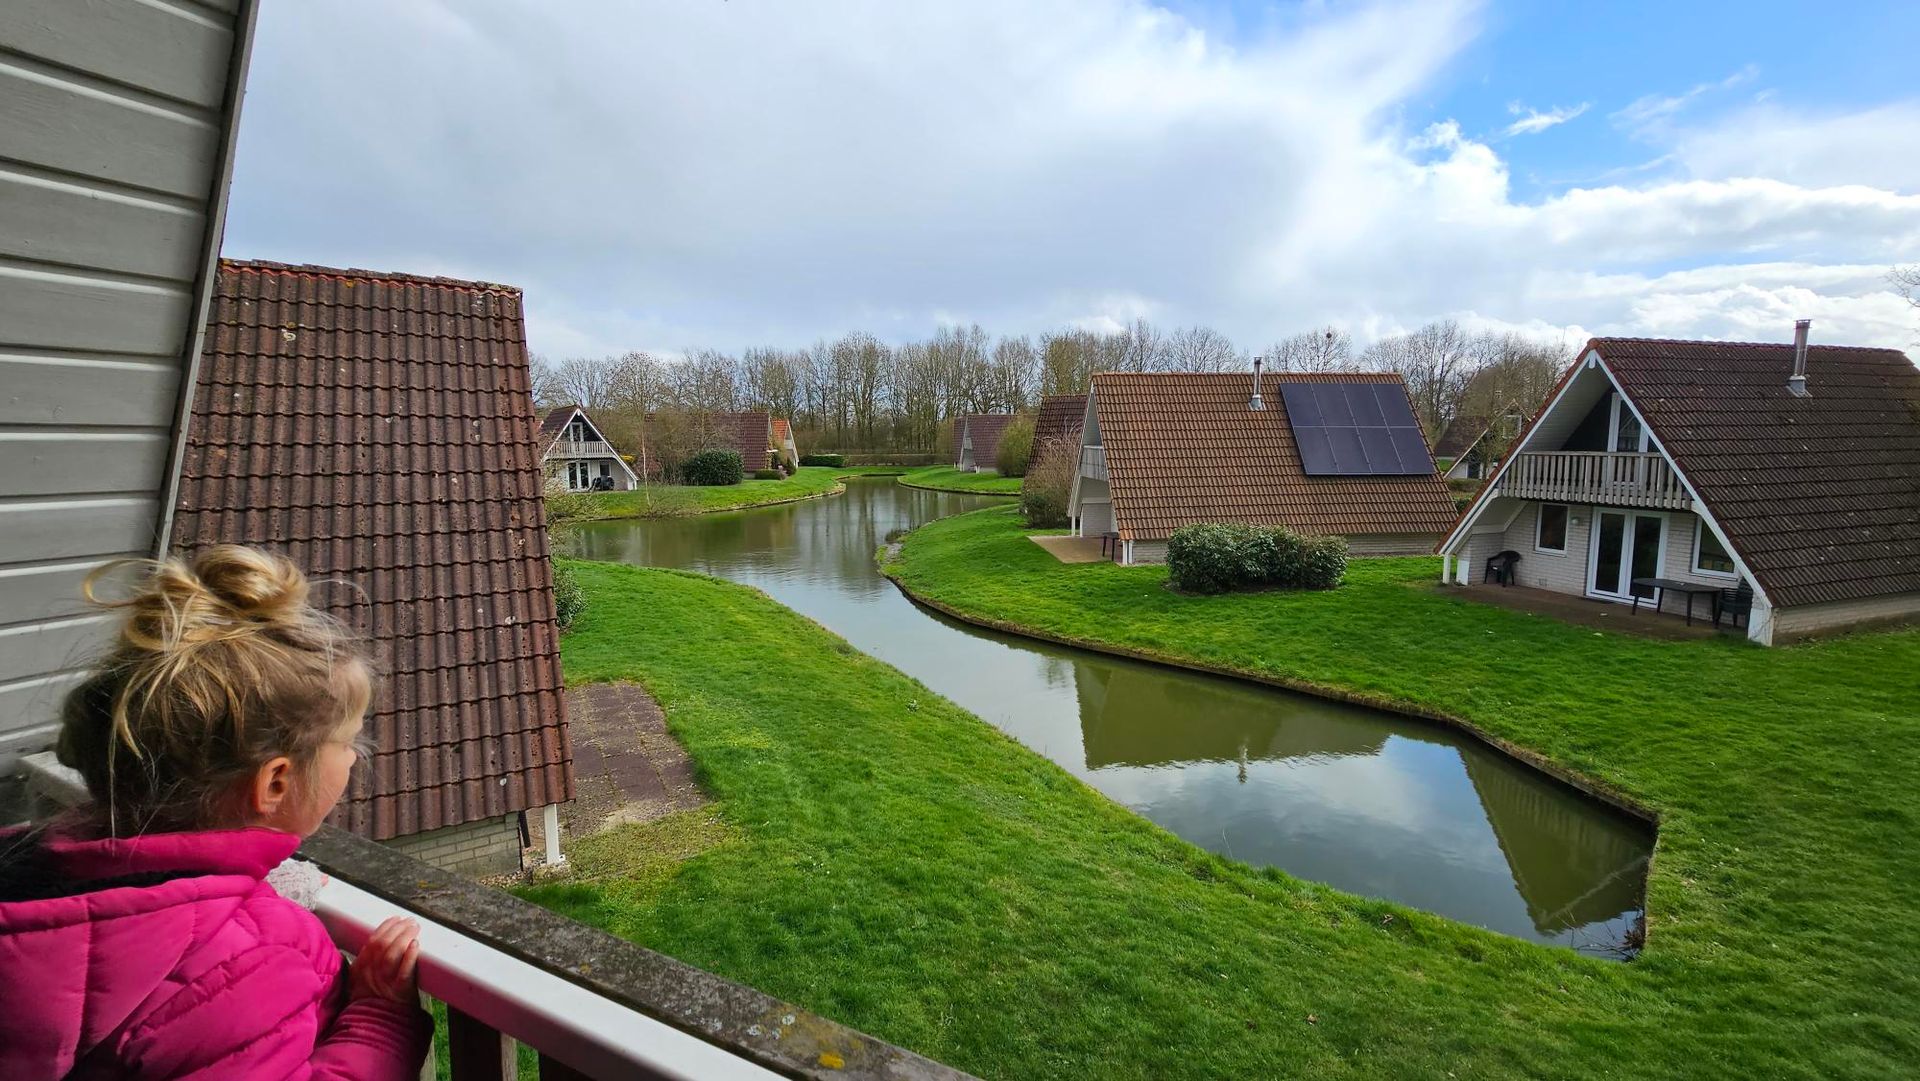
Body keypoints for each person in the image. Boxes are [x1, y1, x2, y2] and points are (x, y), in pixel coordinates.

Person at [0, 546, 433, 1079]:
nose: (355, 756)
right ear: (275, 781)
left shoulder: (26, 870)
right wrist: (379, 1021)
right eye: (348, 741)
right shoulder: (249, 960)